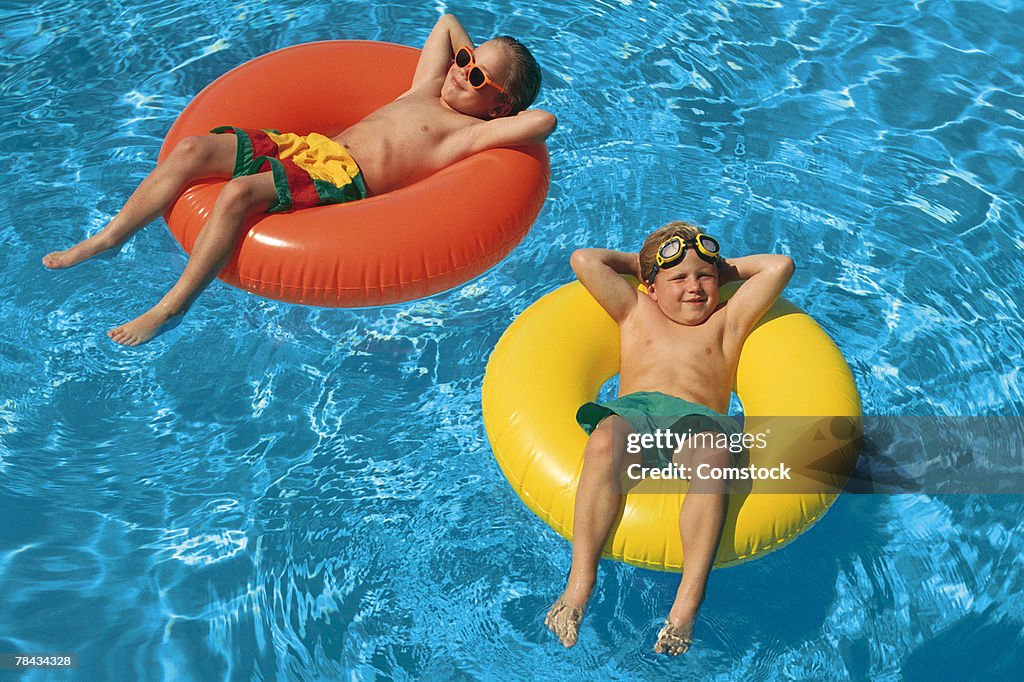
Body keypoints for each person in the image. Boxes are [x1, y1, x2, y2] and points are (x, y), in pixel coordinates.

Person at [43, 14, 556, 346]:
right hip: (309, 148)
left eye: (474, 75)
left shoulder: (464, 133)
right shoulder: (423, 88)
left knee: (240, 193)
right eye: (463, 60)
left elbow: (542, 122)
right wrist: (476, 62)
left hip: (344, 177)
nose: (458, 69)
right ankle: (110, 237)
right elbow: (446, 21)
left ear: (499, 107)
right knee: (193, 149)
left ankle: (170, 307)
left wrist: (490, 90)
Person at [545, 220, 794, 655]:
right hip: (634, 415)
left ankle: (687, 602)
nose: (693, 287)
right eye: (677, 278)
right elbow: (585, 260)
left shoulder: (727, 320)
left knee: (717, 454)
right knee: (603, 441)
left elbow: (780, 266)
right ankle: (580, 583)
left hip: (698, 424)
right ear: (651, 286)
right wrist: (641, 267)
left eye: (705, 276)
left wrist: (720, 266)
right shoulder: (635, 310)